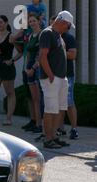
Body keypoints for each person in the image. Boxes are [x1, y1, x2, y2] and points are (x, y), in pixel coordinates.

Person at [39, 11, 75, 149]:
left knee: (60, 108)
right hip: (52, 79)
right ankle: (48, 139)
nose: (68, 29)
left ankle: (54, 136)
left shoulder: (59, 36)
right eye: (68, 26)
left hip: (61, 78)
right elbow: (43, 56)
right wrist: (51, 75)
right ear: (62, 22)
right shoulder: (47, 33)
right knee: (50, 109)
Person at [23, 13, 44, 133]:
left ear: (39, 21)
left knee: (39, 98)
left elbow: (40, 54)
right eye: (30, 21)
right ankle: (37, 123)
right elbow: (29, 54)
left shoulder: (42, 35)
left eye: (33, 21)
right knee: (34, 98)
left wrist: (33, 68)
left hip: (37, 70)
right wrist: (27, 68)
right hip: (29, 69)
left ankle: (41, 124)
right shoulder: (31, 36)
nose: (32, 23)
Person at [58, 27, 79, 140]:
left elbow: (72, 55)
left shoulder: (69, 38)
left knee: (69, 102)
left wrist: (57, 52)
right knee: (58, 103)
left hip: (67, 74)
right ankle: (60, 128)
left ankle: (74, 129)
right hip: (55, 75)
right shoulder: (52, 37)